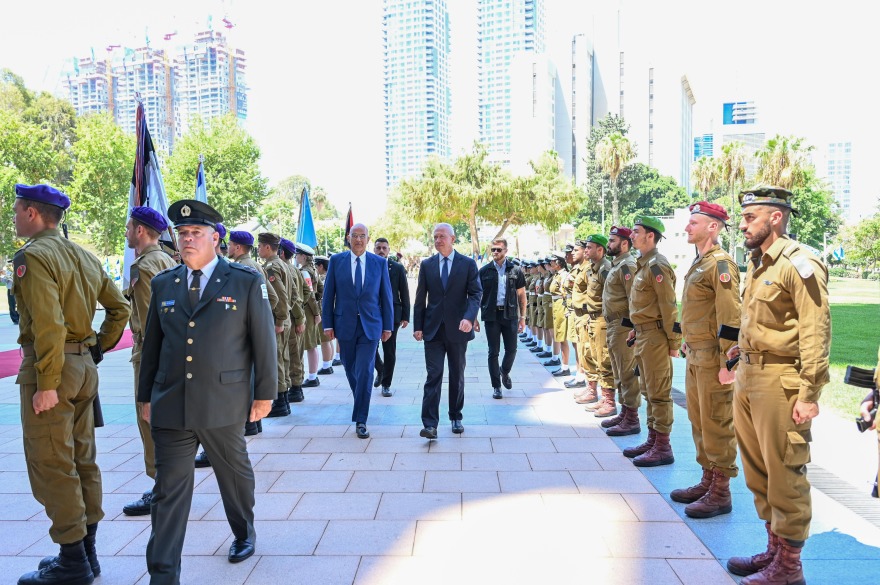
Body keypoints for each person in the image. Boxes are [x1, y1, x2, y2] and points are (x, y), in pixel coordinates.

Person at [138, 199, 277, 583]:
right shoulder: (164, 283)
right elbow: (153, 346)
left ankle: (243, 532)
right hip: (172, 403)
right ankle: (163, 574)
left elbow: (264, 342)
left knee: (233, 477)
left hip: (223, 402)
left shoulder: (245, 281)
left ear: (215, 238)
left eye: (195, 233)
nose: (187, 239)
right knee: (168, 492)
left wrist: (264, 394)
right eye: (182, 233)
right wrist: (145, 396)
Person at [12, 184, 130, 585]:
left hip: (53, 370)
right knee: (82, 459)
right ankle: (87, 553)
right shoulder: (84, 255)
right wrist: (96, 347)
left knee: (52, 463)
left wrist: (46, 382)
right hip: (82, 368)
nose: (14, 217)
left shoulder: (33, 255)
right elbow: (119, 308)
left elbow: (48, 322)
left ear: (32, 213)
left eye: (17, 210)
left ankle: (72, 561)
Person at [724, 187, 830, 585]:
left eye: (750, 217)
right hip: (749, 376)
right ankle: (774, 549)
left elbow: (815, 331)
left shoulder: (799, 263)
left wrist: (809, 393)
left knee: (785, 473)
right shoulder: (758, 263)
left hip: (780, 383)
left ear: (776, 217)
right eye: (743, 217)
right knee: (757, 472)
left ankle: (789, 566)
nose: (743, 224)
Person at [673, 201, 741, 519]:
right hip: (696, 354)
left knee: (717, 423)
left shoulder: (720, 264)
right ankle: (708, 480)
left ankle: (721, 492)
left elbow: (730, 314)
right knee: (700, 421)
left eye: (694, 223)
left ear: (712, 227)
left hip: (714, 358)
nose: (687, 227)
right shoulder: (700, 261)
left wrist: (729, 362)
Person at [121, 207, 178, 516]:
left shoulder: (142, 267)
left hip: (150, 354)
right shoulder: (168, 260)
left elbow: (148, 322)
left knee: (150, 420)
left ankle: (162, 489)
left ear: (141, 230)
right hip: (173, 351)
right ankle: (172, 484)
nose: (127, 232)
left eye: (130, 227)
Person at [321, 223, 393, 438]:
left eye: (363, 236)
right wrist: (328, 324)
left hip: (371, 326)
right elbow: (328, 295)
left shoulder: (379, 263)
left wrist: (388, 325)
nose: (359, 240)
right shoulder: (336, 261)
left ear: (368, 239)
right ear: (348, 237)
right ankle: (361, 399)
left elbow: (386, 296)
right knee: (350, 367)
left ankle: (361, 419)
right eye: (355, 236)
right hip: (344, 325)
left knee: (365, 370)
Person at [413, 223, 482, 439]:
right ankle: (430, 425)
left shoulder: (467, 264)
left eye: (442, 236)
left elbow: (475, 294)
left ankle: (455, 416)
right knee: (433, 374)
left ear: (453, 238)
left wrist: (469, 318)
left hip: (458, 329)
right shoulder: (427, 265)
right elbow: (420, 298)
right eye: (435, 237)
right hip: (432, 330)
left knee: (456, 374)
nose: (438, 240)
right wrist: (417, 326)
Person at [625, 216, 681, 467]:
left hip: (656, 338)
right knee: (648, 390)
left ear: (650, 236)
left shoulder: (657, 265)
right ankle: (653, 439)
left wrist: (674, 342)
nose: (632, 236)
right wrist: (636, 329)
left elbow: (668, 306)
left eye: (636, 231)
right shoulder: (643, 264)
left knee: (658, 392)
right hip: (644, 335)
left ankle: (663, 446)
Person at [229, 230, 285, 435]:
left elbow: (274, 297)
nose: (228, 248)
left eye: (230, 244)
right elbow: (273, 297)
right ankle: (254, 423)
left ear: (237, 247)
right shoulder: (255, 265)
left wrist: (254, 317)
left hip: (244, 328)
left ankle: (250, 423)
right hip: (253, 326)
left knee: (244, 376)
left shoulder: (240, 268)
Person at [600, 227, 642, 437]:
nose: (609, 244)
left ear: (625, 243)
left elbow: (634, 298)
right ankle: (625, 413)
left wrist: (634, 328)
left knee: (627, 372)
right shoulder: (617, 264)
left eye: (612, 240)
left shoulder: (627, 266)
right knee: (618, 372)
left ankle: (632, 419)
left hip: (624, 326)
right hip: (614, 325)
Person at [477, 238, 526, 399]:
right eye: (493, 250)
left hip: (510, 315)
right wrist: (473, 317)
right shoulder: (484, 271)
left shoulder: (516, 270)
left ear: (506, 251)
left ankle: (504, 371)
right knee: (493, 352)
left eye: (499, 249)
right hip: (491, 316)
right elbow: (477, 295)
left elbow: (522, 295)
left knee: (512, 349)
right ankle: (496, 386)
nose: (496, 252)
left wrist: (523, 317)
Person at [259, 233, 293, 418]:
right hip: (285, 317)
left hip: (279, 318)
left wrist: (279, 320)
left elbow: (279, 296)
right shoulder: (283, 264)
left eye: (260, 246)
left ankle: (280, 402)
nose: (258, 249)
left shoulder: (272, 267)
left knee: (277, 359)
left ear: (267, 247)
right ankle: (284, 400)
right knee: (283, 358)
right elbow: (293, 295)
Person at [581, 235, 616, 417]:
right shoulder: (593, 268)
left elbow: (610, 296)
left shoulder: (605, 269)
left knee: (604, 360)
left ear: (600, 250)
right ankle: (601, 396)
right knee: (594, 358)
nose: (586, 250)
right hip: (593, 318)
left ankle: (610, 402)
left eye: (589, 247)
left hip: (603, 320)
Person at [373, 237, 411, 396]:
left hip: (392, 314)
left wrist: (406, 316)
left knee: (389, 351)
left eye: (384, 248)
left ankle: (386, 384)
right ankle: (380, 369)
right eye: (378, 248)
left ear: (388, 250)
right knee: (370, 348)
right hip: (372, 314)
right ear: (374, 250)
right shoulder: (368, 265)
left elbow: (404, 292)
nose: (381, 250)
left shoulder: (397, 268)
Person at [279, 239, 307, 404]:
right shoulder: (295, 270)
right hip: (296, 315)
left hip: (292, 316)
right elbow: (307, 292)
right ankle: (297, 386)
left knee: (291, 355)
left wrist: (298, 317)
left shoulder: (284, 269)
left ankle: (295, 388)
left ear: (281, 253)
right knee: (296, 354)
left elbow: (294, 297)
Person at [296, 243, 323, 387]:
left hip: (308, 310)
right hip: (312, 309)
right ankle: (313, 376)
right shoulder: (313, 270)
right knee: (312, 344)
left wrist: (316, 312)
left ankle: (312, 377)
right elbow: (320, 290)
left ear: (303, 256)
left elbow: (310, 294)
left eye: (298, 254)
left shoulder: (305, 272)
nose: (296, 257)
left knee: (310, 344)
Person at [314, 256, 337, 375]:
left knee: (325, 340)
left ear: (321, 266)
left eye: (316, 266)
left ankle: (326, 365)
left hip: (325, 312)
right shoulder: (331, 276)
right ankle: (329, 363)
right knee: (328, 340)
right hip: (331, 311)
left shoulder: (324, 278)